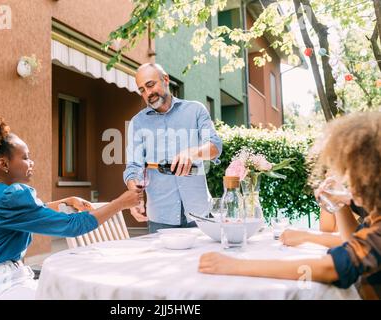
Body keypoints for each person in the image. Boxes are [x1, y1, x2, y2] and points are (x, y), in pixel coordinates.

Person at [0, 107, 143, 300]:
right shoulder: (11, 196)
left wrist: (64, 201)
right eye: (25, 157)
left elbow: (30, 212)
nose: (31, 162)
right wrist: (120, 203)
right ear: (4, 164)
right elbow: (73, 226)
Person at [199, 111, 381, 300]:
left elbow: (330, 268)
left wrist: (234, 266)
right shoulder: (375, 217)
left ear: (369, 174)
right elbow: (353, 241)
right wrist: (339, 204)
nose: (343, 179)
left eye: (347, 171)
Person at [123, 63, 223, 233]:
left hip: (200, 215)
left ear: (166, 80)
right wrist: (135, 196)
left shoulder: (195, 110)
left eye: (150, 85)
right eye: (142, 90)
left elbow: (215, 146)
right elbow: (133, 167)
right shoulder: (138, 123)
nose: (148, 94)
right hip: (161, 218)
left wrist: (192, 153)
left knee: (204, 260)